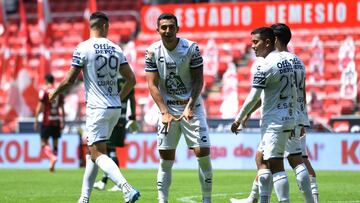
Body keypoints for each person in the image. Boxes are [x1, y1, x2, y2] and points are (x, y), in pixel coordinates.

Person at [48, 12, 140, 203]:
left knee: (97, 153)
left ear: (91, 26)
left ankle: (126, 188)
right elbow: (132, 80)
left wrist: (55, 92)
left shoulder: (83, 48)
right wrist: (118, 98)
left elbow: (69, 80)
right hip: (115, 108)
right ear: (106, 26)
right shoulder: (116, 48)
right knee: (93, 154)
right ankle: (84, 198)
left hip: (97, 108)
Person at [231, 24, 318, 203]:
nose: (253, 46)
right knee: (296, 159)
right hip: (293, 117)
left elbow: (254, 96)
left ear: (272, 41)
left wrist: (239, 118)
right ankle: (310, 201)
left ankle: (277, 200)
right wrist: (301, 120)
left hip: (274, 121)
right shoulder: (296, 62)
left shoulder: (265, 65)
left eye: (256, 42)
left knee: (275, 164)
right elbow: (299, 92)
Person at [145, 13, 213, 203]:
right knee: (166, 158)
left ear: (177, 29)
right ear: (157, 29)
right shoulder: (152, 51)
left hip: (192, 106)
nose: (167, 31)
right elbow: (152, 84)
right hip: (168, 110)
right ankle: (162, 200)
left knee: (203, 153)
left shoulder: (191, 48)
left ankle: (207, 199)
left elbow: (199, 80)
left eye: (171, 27)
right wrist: (164, 112)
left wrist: (190, 106)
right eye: (163, 27)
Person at [93, 75, 138, 192]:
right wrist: (133, 116)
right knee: (110, 149)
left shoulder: (111, 78)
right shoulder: (127, 80)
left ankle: (113, 183)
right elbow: (132, 99)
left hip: (112, 116)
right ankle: (105, 181)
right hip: (122, 117)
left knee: (110, 148)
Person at [34, 73, 65, 172]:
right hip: (56, 120)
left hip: (47, 121)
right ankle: (53, 163)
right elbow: (61, 108)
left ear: (46, 81)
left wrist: (35, 119)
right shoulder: (58, 92)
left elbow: (40, 107)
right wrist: (63, 120)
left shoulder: (44, 91)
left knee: (43, 142)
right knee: (55, 143)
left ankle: (51, 157)